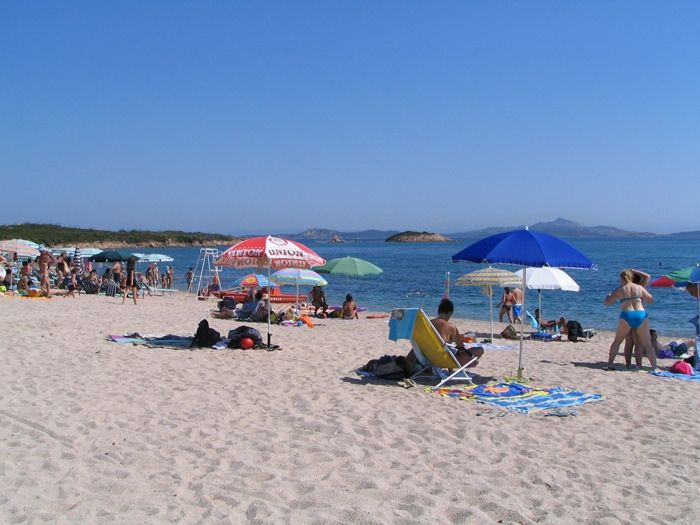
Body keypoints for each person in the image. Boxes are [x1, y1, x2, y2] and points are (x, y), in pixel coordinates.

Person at [604, 269, 657, 371]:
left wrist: (609, 296)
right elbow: (651, 300)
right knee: (647, 344)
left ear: (621, 278)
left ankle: (610, 364)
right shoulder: (639, 287)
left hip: (627, 315)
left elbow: (607, 302)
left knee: (617, 341)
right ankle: (655, 368)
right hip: (641, 314)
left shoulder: (620, 289)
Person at [430, 298, 484, 367]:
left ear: (439, 311)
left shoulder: (428, 323)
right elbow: (461, 347)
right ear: (449, 313)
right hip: (443, 361)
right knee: (479, 349)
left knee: (468, 336)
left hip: (430, 358)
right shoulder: (450, 326)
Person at [621, 270, 651, 368]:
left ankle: (628, 364)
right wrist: (632, 269)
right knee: (638, 343)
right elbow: (647, 276)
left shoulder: (624, 288)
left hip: (627, 315)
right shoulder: (639, 287)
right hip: (638, 316)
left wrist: (629, 271)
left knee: (629, 342)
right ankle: (639, 365)